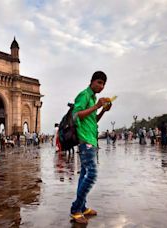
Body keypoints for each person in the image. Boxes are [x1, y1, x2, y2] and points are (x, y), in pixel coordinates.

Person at [70, 71, 112, 224]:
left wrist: (102, 110)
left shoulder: (93, 98)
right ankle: (75, 209)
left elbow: (92, 120)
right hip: (85, 140)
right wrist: (97, 105)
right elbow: (76, 115)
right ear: (92, 81)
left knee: (84, 174)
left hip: (91, 140)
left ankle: (83, 206)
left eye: (103, 84)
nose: (101, 86)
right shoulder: (84, 95)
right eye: (99, 82)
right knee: (92, 174)